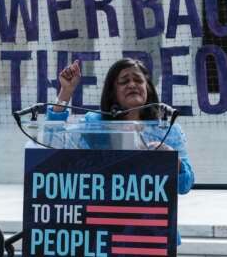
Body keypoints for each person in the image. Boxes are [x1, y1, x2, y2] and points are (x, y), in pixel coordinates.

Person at [46, 58, 194, 244]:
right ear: (113, 92)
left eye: (138, 80)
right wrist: (65, 92)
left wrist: (173, 160)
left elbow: (185, 185)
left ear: (147, 87)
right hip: (102, 234)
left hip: (152, 235)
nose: (132, 84)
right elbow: (52, 143)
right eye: (124, 81)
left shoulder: (168, 130)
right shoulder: (94, 126)